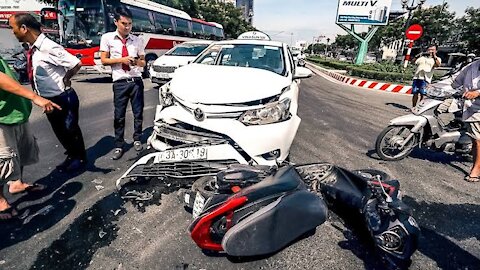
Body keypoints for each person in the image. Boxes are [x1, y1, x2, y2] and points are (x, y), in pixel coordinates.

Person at [9, 13, 87, 173]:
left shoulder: (48, 47)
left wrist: (67, 78)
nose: (12, 32)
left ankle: (80, 158)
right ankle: (72, 155)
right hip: (49, 99)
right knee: (60, 131)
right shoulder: (34, 48)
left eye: (13, 28)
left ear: (24, 28)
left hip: (64, 97)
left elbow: (76, 63)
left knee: (70, 130)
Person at [0, 59, 61, 220]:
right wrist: (34, 97)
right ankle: (0, 201)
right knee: (3, 162)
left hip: (17, 114)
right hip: (2, 118)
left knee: (20, 152)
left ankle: (16, 183)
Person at [100, 6, 146, 160]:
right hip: (120, 82)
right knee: (119, 116)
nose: (127, 27)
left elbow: (143, 63)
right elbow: (104, 60)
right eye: (124, 23)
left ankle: (137, 138)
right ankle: (119, 145)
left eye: (130, 24)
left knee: (138, 113)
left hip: (136, 81)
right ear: (116, 22)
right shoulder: (107, 38)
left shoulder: (137, 40)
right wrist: (121, 60)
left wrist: (136, 62)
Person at [451, 59, 480, 182]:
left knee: (477, 140)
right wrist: (437, 86)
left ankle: (477, 168)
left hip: (477, 109)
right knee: (475, 138)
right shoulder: (472, 66)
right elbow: (455, 80)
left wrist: (477, 93)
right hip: (470, 106)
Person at [410, 44, 442, 108]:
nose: (430, 51)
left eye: (432, 50)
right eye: (429, 49)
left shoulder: (437, 59)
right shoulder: (421, 58)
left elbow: (438, 65)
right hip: (417, 77)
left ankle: (419, 108)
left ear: (436, 51)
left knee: (423, 94)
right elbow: (413, 62)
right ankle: (413, 107)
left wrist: (434, 56)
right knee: (415, 93)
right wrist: (417, 56)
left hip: (426, 79)